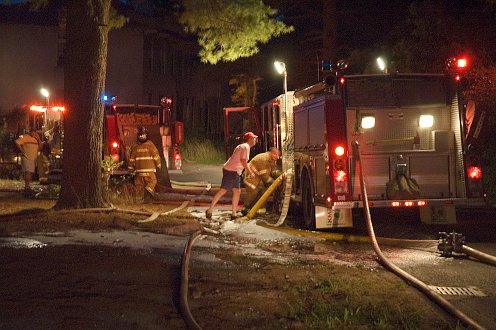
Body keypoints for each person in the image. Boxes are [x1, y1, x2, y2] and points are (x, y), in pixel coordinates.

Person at [206, 131, 258, 220]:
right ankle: (209, 210)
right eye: (253, 138)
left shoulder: (242, 146)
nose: (255, 140)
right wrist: (250, 172)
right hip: (231, 171)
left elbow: (242, 161)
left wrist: (251, 169)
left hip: (234, 171)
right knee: (223, 190)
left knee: (237, 191)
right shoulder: (245, 147)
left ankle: (233, 214)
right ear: (249, 139)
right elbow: (243, 160)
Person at [241, 147, 281, 215]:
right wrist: (274, 182)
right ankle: (246, 210)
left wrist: (279, 174)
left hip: (258, 178)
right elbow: (264, 175)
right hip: (251, 178)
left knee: (263, 191)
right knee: (253, 194)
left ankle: (260, 210)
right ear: (271, 153)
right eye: (276, 155)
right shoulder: (263, 159)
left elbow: (272, 171)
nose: (278, 157)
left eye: (278, 155)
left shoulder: (271, 159)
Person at [128, 126, 162, 202]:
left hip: (139, 172)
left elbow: (131, 161)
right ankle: (148, 191)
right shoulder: (151, 146)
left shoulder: (135, 148)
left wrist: (130, 170)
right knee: (153, 181)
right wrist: (159, 166)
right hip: (149, 172)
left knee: (139, 186)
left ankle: (139, 202)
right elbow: (156, 157)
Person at [15, 129, 41, 195]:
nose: (34, 134)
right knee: (28, 172)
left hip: (33, 158)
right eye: (33, 133)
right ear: (30, 132)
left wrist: (39, 139)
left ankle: (28, 186)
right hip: (27, 157)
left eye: (35, 133)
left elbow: (40, 147)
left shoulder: (36, 140)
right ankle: (27, 187)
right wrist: (22, 150)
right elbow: (17, 142)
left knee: (30, 172)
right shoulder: (25, 137)